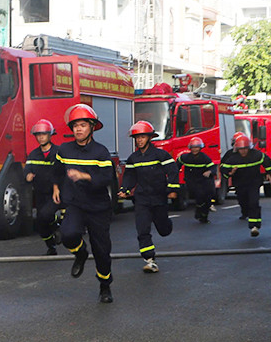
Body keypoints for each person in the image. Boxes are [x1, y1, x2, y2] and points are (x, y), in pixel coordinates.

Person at [52, 104, 114, 303]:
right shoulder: (64, 150)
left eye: (83, 125)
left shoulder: (101, 152)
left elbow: (106, 178)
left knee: (102, 251)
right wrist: (55, 188)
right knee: (67, 234)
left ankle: (105, 286)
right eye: (75, 125)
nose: (78, 129)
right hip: (75, 204)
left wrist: (84, 176)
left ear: (92, 127)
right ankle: (80, 253)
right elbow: (57, 170)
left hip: (98, 207)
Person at [118, 121, 180, 274]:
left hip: (159, 198)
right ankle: (149, 260)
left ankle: (167, 225)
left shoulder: (161, 155)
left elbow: (172, 171)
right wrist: (124, 189)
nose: (139, 140)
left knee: (164, 230)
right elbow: (129, 176)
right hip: (142, 199)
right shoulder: (133, 158)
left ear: (149, 138)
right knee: (142, 230)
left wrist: (172, 189)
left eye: (142, 137)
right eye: (137, 137)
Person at [220, 135, 271, 237]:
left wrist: (268, 173)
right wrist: (230, 173)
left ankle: (254, 226)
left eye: (245, 149)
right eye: (241, 149)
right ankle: (246, 214)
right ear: (237, 149)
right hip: (240, 184)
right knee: (243, 201)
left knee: (254, 202)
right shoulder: (232, 158)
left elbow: (266, 160)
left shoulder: (256, 155)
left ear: (249, 148)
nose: (243, 151)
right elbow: (224, 170)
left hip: (254, 183)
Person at [24, 119, 61, 255]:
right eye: (38, 134)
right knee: (40, 223)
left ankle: (58, 222)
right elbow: (27, 169)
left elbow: (64, 171)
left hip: (55, 192)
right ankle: (51, 246)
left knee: (47, 215)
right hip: (40, 193)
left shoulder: (59, 152)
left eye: (44, 134)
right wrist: (27, 175)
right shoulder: (33, 154)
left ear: (50, 135)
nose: (40, 137)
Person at [176, 137, 216, 224]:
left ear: (200, 148)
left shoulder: (205, 158)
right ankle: (199, 212)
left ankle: (204, 217)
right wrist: (175, 172)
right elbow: (177, 164)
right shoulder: (185, 157)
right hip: (192, 181)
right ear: (190, 148)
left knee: (207, 198)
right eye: (193, 147)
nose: (195, 149)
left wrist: (209, 172)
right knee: (199, 196)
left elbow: (213, 168)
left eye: (197, 147)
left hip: (204, 181)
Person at [221, 131, 247, 219]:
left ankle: (251, 212)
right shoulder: (229, 154)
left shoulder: (250, 154)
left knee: (251, 197)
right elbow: (222, 165)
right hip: (238, 179)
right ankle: (244, 212)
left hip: (249, 179)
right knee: (241, 197)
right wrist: (229, 172)